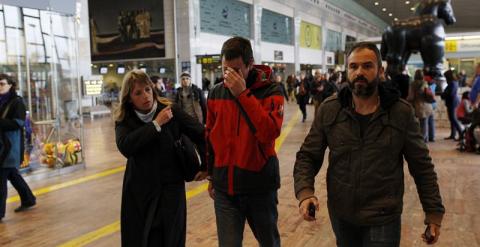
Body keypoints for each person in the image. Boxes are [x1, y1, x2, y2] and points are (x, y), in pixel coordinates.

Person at [293, 42, 445, 247]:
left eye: (367, 66)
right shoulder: (330, 109)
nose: (359, 72)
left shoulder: (401, 113)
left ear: (380, 71)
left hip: (383, 216)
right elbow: (308, 156)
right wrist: (305, 193)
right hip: (341, 214)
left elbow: (422, 166)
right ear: (347, 71)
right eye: (353, 67)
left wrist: (433, 213)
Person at [206, 36, 284, 247]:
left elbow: (269, 132)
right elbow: (210, 137)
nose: (229, 76)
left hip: (260, 187)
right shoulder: (215, 93)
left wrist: (242, 94)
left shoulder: (272, 91)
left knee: (269, 242)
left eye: (236, 70)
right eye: (225, 69)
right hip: (225, 190)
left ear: (250, 64)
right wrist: (212, 176)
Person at [114, 69, 207, 246]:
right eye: (138, 93)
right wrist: (156, 124)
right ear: (129, 98)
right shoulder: (125, 118)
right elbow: (126, 146)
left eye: (148, 89)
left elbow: (200, 133)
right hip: (140, 191)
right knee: (143, 239)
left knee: (171, 238)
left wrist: (206, 165)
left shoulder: (170, 111)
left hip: (170, 189)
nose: (146, 96)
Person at [0, 74, 36, 221]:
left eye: (2, 84)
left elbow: (18, 123)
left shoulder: (17, 102)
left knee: (1, 178)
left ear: (10, 85)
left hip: (9, 147)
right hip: (2, 146)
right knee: (12, 175)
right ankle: (28, 199)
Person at [407, 69, 433, 142]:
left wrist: (406, 100)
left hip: (419, 106)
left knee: (422, 125)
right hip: (428, 105)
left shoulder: (413, 84)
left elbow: (411, 97)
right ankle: (427, 139)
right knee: (426, 124)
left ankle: (423, 141)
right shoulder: (425, 83)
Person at [441, 70, 463, 140]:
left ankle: (461, 134)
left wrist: (443, 94)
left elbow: (450, 94)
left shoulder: (452, 83)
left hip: (452, 103)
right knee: (452, 119)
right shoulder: (453, 82)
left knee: (453, 119)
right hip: (452, 102)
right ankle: (453, 134)